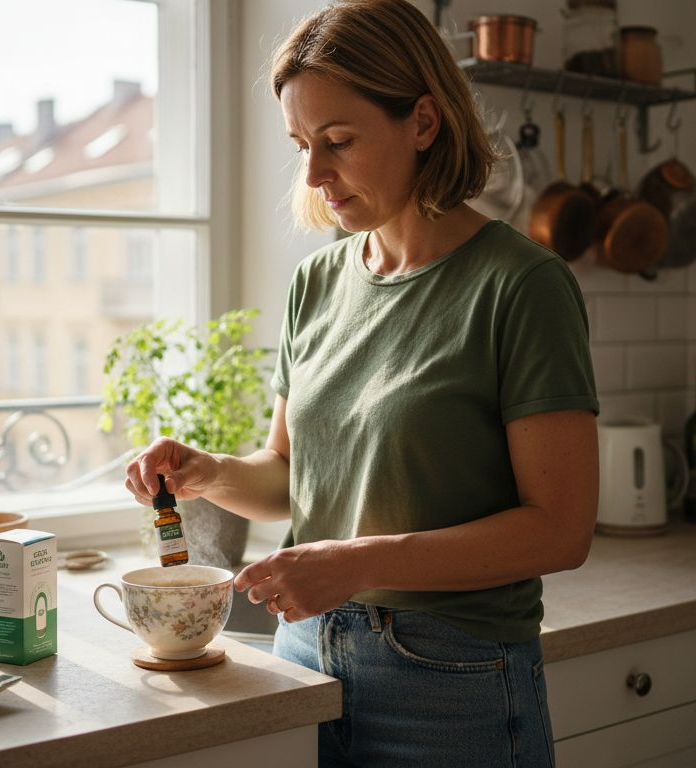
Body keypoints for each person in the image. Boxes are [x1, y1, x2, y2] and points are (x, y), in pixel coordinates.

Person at [124, 1, 599, 765]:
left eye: (338, 141)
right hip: (301, 652)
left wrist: (360, 561)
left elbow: (561, 529)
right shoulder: (315, 283)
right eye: (302, 144)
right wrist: (209, 473)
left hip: (449, 677)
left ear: (423, 122)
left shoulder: (521, 285)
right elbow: (288, 479)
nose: (314, 172)